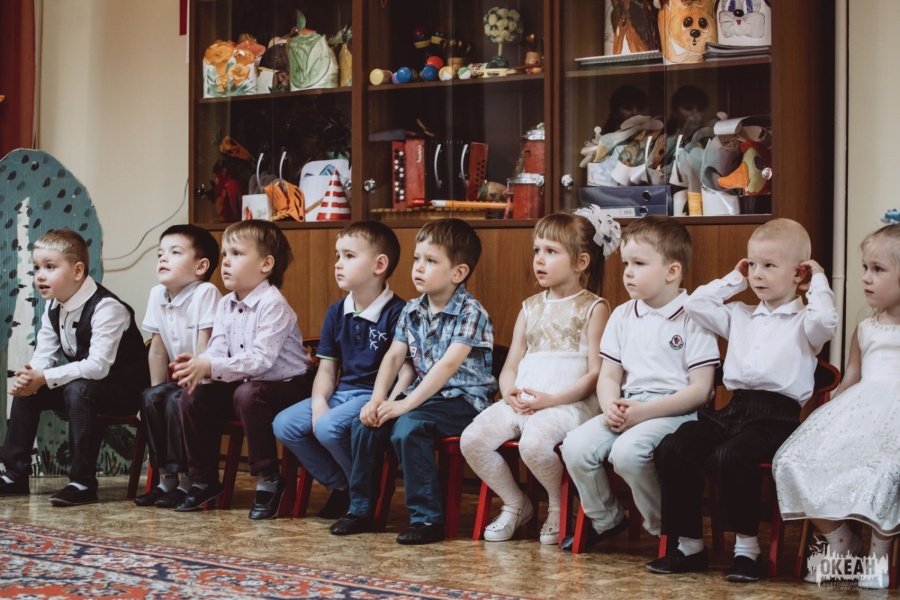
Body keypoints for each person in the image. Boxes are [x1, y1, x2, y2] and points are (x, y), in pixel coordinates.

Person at [648, 218, 838, 583]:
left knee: (730, 455)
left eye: (769, 265)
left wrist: (818, 282)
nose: (757, 274)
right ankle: (689, 546)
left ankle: (747, 551)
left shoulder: (805, 323)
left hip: (776, 419)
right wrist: (734, 279)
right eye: (752, 264)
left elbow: (827, 320)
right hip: (733, 411)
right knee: (674, 446)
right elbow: (696, 303)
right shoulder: (740, 315)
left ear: (798, 273)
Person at [330, 218, 496, 545]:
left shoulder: (471, 312)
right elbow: (395, 356)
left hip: (463, 402)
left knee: (409, 427)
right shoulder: (412, 310)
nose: (418, 267)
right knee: (366, 423)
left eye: (430, 261)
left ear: (458, 273)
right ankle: (360, 510)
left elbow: (447, 365)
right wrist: (378, 400)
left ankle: (427, 519)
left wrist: (405, 405)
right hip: (424, 398)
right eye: (417, 258)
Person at [460, 208, 619, 545]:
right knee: (472, 440)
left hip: (569, 403)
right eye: (537, 250)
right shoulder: (530, 307)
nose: (539, 259)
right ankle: (516, 503)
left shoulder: (594, 307)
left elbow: (596, 372)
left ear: (581, 262)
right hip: (524, 399)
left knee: (533, 443)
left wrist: (552, 400)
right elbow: (511, 365)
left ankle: (559, 507)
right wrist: (508, 391)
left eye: (551, 251)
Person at [560, 215, 719, 551]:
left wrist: (644, 413)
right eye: (626, 263)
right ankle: (607, 519)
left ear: (671, 271)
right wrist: (609, 406)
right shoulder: (622, 315)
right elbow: (609, 375)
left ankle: (665, 528)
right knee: (574, 446)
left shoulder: (694, 316)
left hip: (674, 410)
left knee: (628, 453)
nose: (628, 272)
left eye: (639, 264)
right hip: (628, 405)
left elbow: (701, 390)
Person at [773, 223, 900, 590]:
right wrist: (825, 418)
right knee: (792, 460)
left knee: (886, 468)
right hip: (861, 409)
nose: (866, 278)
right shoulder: (866, 329)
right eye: (865, 268)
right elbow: (851, 379)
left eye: (878, 269)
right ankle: (842, 541)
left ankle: (879, 553)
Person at [170, 219, 313, 520]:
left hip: (289, 386)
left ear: (266, 264)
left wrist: (211, 365)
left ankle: (269, 478)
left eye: (236, 254)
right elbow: (218, 349)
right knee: (192, 397)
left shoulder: (273, 304)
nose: (226, 262)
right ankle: (203, 479)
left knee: (248, 394)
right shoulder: (225, 304)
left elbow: (261, 360)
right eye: (225, 254)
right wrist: (201, 366)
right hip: (248, 385)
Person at [0, 229, 149, 506]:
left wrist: (44, 376)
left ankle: (82, 482)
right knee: (30, 390)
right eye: (36, 268)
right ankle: (14, 475)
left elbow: (98, 367)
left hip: (126, 392)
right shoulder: (53, 306)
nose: (40, 276)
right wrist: (32, 376)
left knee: (77, 390)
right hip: (87, 386)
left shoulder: (107, 308)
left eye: (50, 267)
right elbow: (45, 354)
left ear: (78, 271)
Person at [272, 221, 408, 519]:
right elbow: (327, 369)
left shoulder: (400, 312)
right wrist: (319, 402)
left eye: (349, 256)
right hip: (341, 394)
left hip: (373, 396)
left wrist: (385, 401)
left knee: (328, 427)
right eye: (338, 255)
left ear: (379, 265)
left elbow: (406, 368)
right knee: (284, 424)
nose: (338, 264)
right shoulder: (336, 311)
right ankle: (344, 485)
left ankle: (366, 489)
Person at [134, 225, 222, 509]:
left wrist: (195, 386)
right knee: (152, 397)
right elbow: (157, 350)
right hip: (182, 379)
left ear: (201, 266)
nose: (163, 258)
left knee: (176, 399)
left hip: (211, 379)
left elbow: (205, 347)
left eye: (175, 252)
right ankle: (166, 480)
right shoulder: (157, 294)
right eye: (160, 253)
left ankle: (187, 481)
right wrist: (155, 393)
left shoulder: (206, 292)